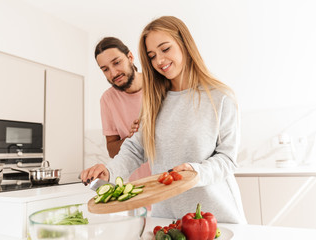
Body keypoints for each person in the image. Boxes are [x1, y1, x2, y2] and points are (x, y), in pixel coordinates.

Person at [82, 16, 247, 224]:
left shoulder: (220, 97)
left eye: (165, 49)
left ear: (184, 44)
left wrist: (195, 171)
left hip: (215, 217)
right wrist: (109, 172)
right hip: (166, 219)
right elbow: (135, 150)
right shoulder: (154, 101)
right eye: (152, 56)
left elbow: (227, 158)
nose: (159, 60)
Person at [94, 37, 150, 181]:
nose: (113, 73)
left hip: (170, 181)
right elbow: (112, 150)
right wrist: (131, 139)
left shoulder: (157, 85)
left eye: (117, 62)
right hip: (138, 187)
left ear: (130, 57)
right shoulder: (107, 99)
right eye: (105, 69)